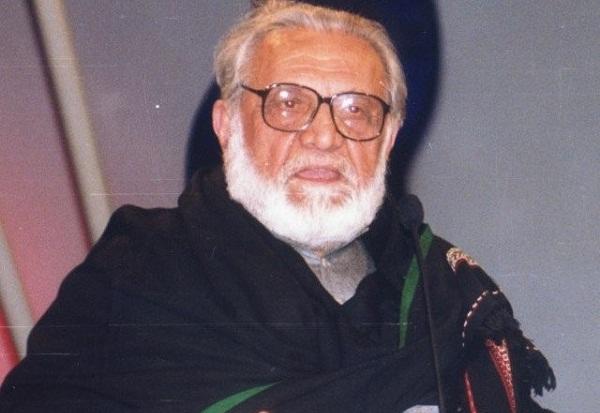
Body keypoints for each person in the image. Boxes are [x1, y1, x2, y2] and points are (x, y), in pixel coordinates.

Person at [0, 1, 555, 412]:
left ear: (387, 139)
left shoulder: (443, 292)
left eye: (356, 110)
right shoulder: (136, 275)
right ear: (227, 127)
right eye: (288, 103)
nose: (324, 136)